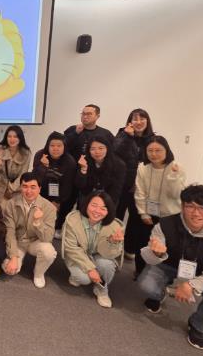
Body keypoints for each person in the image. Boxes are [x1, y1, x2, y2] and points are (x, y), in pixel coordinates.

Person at [138, 185, 203, 350]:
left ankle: (198, 325)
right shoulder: (165, 224)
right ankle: (160, 294)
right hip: (169, 265)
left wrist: (191, 285)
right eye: (190, 206)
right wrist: (157, 253)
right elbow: (149, 259)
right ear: (182, 206)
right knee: (146, 285)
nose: (196, 213)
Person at [133, 136, 186, 277]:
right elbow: (139, 192)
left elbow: (176, 195)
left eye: (158, 150)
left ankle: (162, 277)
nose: (154, 154)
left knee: (165, 248)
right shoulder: (143, 167)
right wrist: (143, 213)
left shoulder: (176, 167)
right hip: (148, 214)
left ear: (166, 150)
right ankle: (139, 271)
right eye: (150, 150)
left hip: (170, 216)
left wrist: (173, 177)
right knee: (143, 243)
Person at [62, 191, 125, 308]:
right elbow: (71, 248)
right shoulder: (73, 219)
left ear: (108, 211)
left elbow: (110, 255)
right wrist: (90, 269)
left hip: (100, 255)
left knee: (106, 265)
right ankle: (79, 275)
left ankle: (101, 290)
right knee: (83, 278)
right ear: (86, 204)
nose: (97, 211)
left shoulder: (115, 226)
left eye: (103, 208)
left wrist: (112, 242)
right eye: (94, 205)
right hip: (79, 255)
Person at [2, 172, 57, 288]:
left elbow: (47, 238)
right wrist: (13, 257)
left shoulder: (50, 208)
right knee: (9, 269)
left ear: (39, 189)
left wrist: (38, 222)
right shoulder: (11, 204)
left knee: (49, 252)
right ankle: (16, 258)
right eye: (25, 186)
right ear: (20, 187)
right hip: (18, 242)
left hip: (35, 242)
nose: (28, 191)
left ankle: (38, 274)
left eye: (33, 187)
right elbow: (10, 232)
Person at [114, 108, 155, 260]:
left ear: (147, 121)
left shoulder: (153, 138)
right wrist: (127, 136)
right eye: (135, 119)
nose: (138, 122)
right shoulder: (123, 133)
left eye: (142, 118)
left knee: (136, 218)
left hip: (142, 185)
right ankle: (113, 244)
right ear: (130, 121)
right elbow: (115, 151)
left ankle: (129, 248)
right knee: (117, 213)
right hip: (122, 182)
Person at [32, 131, 76, 239]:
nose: (55, 148)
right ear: (48, 146)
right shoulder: (40, 155)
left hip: (62, 194)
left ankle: (58, 226)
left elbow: (68, 185)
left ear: (64, 147)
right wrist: (43, 167)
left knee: (70, 199)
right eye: (52, 145)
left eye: (59, 146)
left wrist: (57, 202)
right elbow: (35, 180)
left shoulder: (70, 161)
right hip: (43, 191)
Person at [74, 136, 126, 207]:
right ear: (88, 150)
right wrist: (83, 169)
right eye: (93, 149)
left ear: (107, 148)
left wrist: (105, 205)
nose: (97, 152)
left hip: (109, 197)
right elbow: (80, 185)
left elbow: (116, 190)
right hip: (87, 196)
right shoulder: (84, 161)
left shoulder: (119, 164)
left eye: (101, 148)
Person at [0, 125, 31, 205]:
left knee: (15, 209)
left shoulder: (26, 153)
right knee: (1, 209)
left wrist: (11, 189)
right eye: (9, 136)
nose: (12, 139)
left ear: (20, 138)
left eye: (15, 137)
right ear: (6, 137)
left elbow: (23, 174)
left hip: (16, 189)